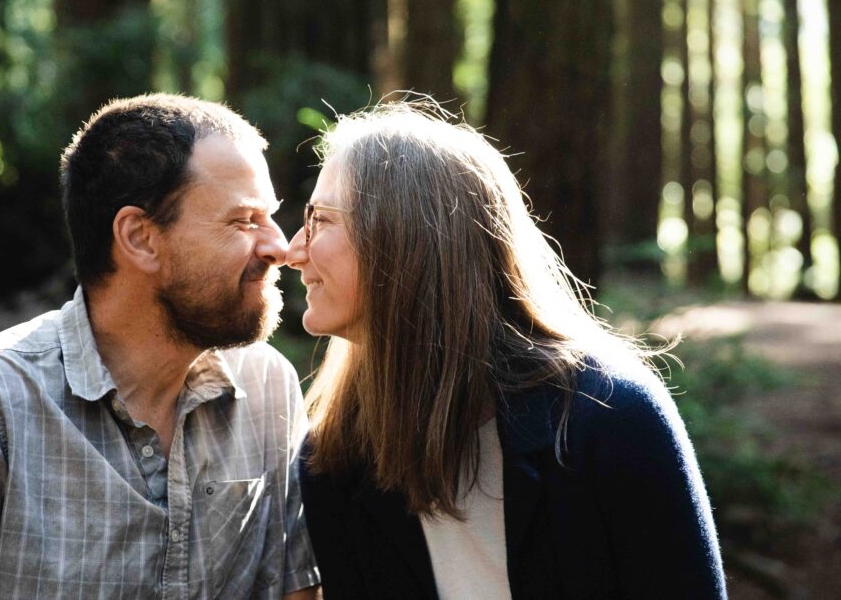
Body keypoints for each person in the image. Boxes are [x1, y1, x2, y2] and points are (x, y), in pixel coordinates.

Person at [0, 94, 320, 599]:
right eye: (244, 221)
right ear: (139, 238)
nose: (278, 246)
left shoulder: (268, 388)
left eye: (271, 216)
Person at [285, 100, 726, 599]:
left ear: (404, 240)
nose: (292, 249)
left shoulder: (609, 419)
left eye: (319, 218)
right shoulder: (334, 458)